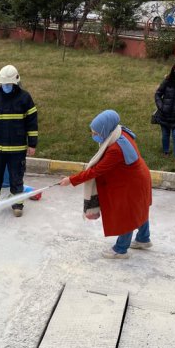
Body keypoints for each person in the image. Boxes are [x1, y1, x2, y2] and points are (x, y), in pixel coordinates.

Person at [59, 110, 152, 259]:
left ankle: (121, 250)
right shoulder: (120, 132)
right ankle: (143, 238)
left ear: (105, 129)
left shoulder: (115, 149)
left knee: (126, 215)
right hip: (138, 179)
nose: (93, 135)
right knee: (138, 209)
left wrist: (71, 180)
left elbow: (96, 171)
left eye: (95, 132)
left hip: (133, 184)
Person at [0, 64, 38, 217]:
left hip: (17, 150)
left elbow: (32, 123)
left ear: (15, 83)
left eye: (8, 84)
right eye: (3, 84)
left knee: (16, 176)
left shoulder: (25, 98)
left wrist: (32, 144)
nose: (5, 87)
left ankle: (17, 204)